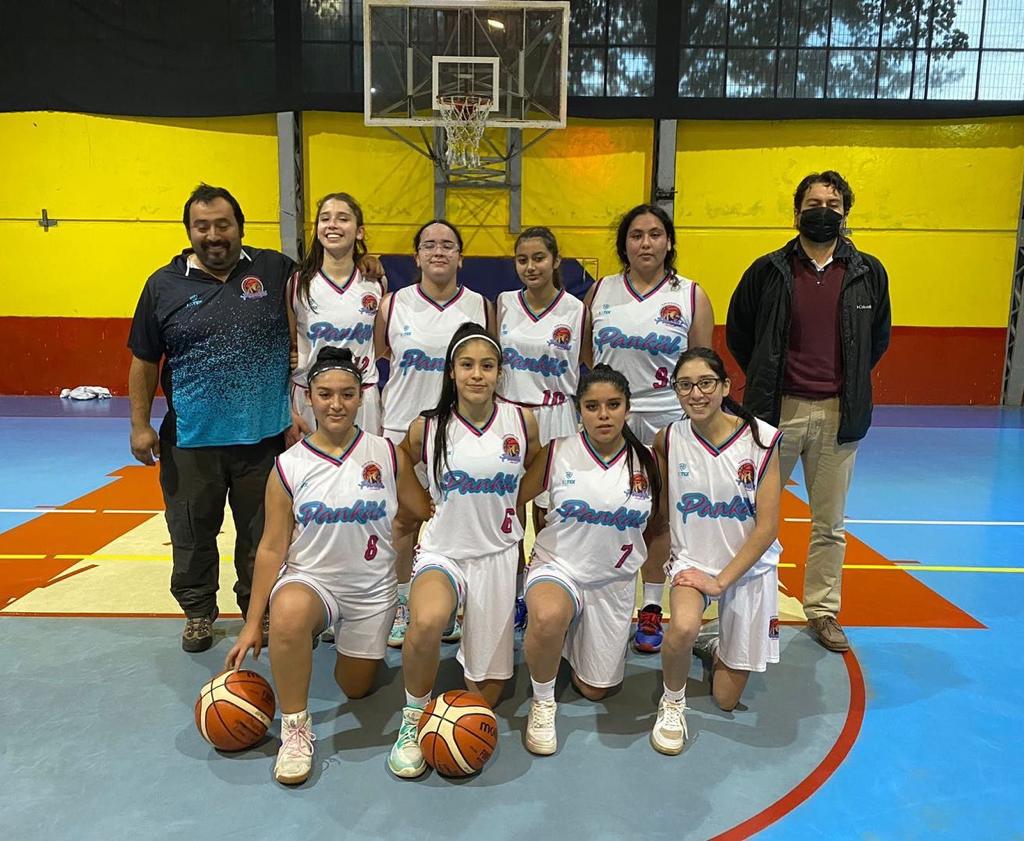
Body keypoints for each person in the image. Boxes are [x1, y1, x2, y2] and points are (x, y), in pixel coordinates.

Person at [225, 346, 431, 785]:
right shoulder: (289, 466)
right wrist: (251, 622)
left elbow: (420, 510)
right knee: (290, 615)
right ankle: (295, 732)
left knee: (355, 687)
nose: (335, 404)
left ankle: (340, 638)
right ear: (309, 398)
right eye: (324, 394)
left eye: (346, 394)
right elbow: (271, 547)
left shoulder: (388, 454)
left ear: (361, 397)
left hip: (371, 591)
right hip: (311, 580)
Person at [726, 170, 891, 653]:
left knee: (830, 524)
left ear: (846, 212)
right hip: (776, 412)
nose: (824, 210)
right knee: (755, 517)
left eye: (833, 203)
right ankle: (745, 606)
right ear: (796, 212)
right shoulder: (769, 270)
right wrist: (767, 378)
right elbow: (740, 334)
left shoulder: (868, 272)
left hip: (840, 413)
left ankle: (822, 611)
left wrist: (846, 381)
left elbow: (876, 339)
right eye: (814, 202)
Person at [128, 183, 296, 653]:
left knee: (262, 536)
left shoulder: (275, 269)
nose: (214, 234)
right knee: (191, 533)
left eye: (223, 224)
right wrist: (139, 424)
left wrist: (365, 259)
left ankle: (256, 612)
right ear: (189, 232)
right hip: (191, 441)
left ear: (240, 227)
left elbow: (328, 280)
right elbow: (143, 359)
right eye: (203, 226)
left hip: (264, 439)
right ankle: (199, 611)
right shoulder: (163, 285)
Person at [387, 323, 540, 779]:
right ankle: (413, 718)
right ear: (451, 371)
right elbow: (397, 458)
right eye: (467, 365)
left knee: (485, 694)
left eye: (487, 366)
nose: (478, 375)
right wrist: (419, 505)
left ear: (499, 373)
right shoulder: (428, 426)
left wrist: (516, 502)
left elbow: (538, 465)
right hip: (444, 551)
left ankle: (462, 691)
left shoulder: (521, 420)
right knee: (428, 622)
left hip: (496, 556)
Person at [584, 203, 715, 655]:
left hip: (665, 415)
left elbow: (701, 365)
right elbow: (587, 356)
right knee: (607, 506)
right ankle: (602, 595)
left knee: (657, 513)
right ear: (624, 244)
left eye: (655, 234)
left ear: (669, 242)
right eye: (636, 235)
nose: (645, 242)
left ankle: (653, 606)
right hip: (611, 414)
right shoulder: (601, 291)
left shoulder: (690, 294)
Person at [517, 364, 661, 756]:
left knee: (596, 690)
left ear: (627, 408)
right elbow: (515, 501)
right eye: (592, 405)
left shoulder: (648, 461)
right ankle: (543, 702)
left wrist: (654, 594)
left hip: (613, 581)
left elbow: (658, 527)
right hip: (558, 566)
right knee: (547, 617)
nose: (603, 414)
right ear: (579, 409)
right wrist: (516, 566)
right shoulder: (557, 452)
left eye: (613, 405)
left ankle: (566, 637)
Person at [651, 347, 782, 755]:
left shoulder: (761, 439)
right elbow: (657, 508)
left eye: (706, 383)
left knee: (726, 698)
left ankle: (715, 644)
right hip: (693, 562)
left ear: (725, 386)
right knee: (683, 627)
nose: (696, 393)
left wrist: (721, 581)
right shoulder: (669, 438)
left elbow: (767, 528)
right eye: (685, 385)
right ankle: (672, 704)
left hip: (748, 568)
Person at [375, 219, 493, 649]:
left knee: (458, 518)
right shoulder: (393, 304)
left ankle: (453, 605)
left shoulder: (480, 305)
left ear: (461, 256)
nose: (438, 251)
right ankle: (402, 604)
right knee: (403, 519)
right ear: (417, 255)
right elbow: (376, 357)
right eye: (429, 245)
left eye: (448, 245)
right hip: (403, 425)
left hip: (460, 430)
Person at [496, 226, 588, 630]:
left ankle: (548, 588)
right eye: (523, 259)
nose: (531, 266)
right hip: (511, 415)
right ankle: (515, 593)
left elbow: (590, 360)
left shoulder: (576, 310)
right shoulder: (501, 304)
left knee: (551, 512)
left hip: (557, 414)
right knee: (510, 507)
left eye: (538, 258)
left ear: (555, 261)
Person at [288, 192, 386, 437]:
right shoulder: (298, 283)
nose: (332, 224)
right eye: (325, 219)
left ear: (359, 231)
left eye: (342, 218)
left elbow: (382, 344)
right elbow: (288, 344)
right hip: (310, 396)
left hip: (360, 393)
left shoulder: (376, 282)